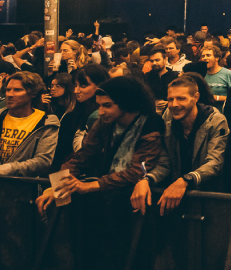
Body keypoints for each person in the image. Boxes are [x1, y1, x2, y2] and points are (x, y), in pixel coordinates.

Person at [36, 77, 166, 212]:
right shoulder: (105, 121)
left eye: (107, 105)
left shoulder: (151, 125)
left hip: (135, 200)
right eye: (99, 105)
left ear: (126, 103)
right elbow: (83, 155)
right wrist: (57, 188)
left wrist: (90, 186)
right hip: (106, 197)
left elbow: (138, 170)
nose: (101, 111)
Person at [139, 76, 229, 214]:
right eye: (170, 99)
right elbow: (165, 162)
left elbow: (214, 163)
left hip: (208, 199)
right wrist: (147, 179)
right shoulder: (168, 116)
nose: (174, 104)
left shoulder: (215, 121)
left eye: (181, 98)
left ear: (196, 97)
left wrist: (185, 180)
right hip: (177, 198)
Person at [50, 64, 108, 170]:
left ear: (100, 85)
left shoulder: (98, 115)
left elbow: (88, 153)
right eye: (75, 86)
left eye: (83, 86)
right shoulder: (76, 110)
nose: (76, 91)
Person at [144, 47, 177, 112]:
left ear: (165, 59)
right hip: (152, 110)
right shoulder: (146, 77)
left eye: (157, 60)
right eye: (151, 61)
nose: (154, 63)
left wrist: (168, 102)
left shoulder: (175, 76)